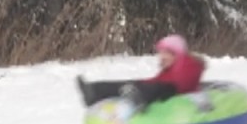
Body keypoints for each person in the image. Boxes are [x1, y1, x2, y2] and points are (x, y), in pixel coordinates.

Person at [76, 34, 206, 110]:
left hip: (176, 93)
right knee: (131, 84)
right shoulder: (168, 69)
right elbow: (157, 80)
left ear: (177, 54)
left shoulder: (189, 64)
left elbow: (182, 83)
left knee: (164, 87)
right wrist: (140, 83)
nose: (162, 57)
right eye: (161, 53)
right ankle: (94, 91)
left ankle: (140, 98)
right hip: (161, 89)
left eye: (166, 53)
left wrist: (145, 87)